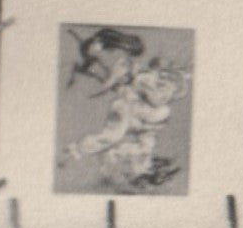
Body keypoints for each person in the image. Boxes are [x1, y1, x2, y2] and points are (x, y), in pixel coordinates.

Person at [60, 59, 190, 192]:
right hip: (125, 110)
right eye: (164, 76)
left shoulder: (166, 100)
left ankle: (128, 167)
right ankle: (76, 149)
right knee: (112, 136)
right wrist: (133, 80)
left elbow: (156, 106)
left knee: (145, 148)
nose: (165, 81)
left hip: (142, 122)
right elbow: (147, 94)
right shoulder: (147, 80)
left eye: (171, 82)